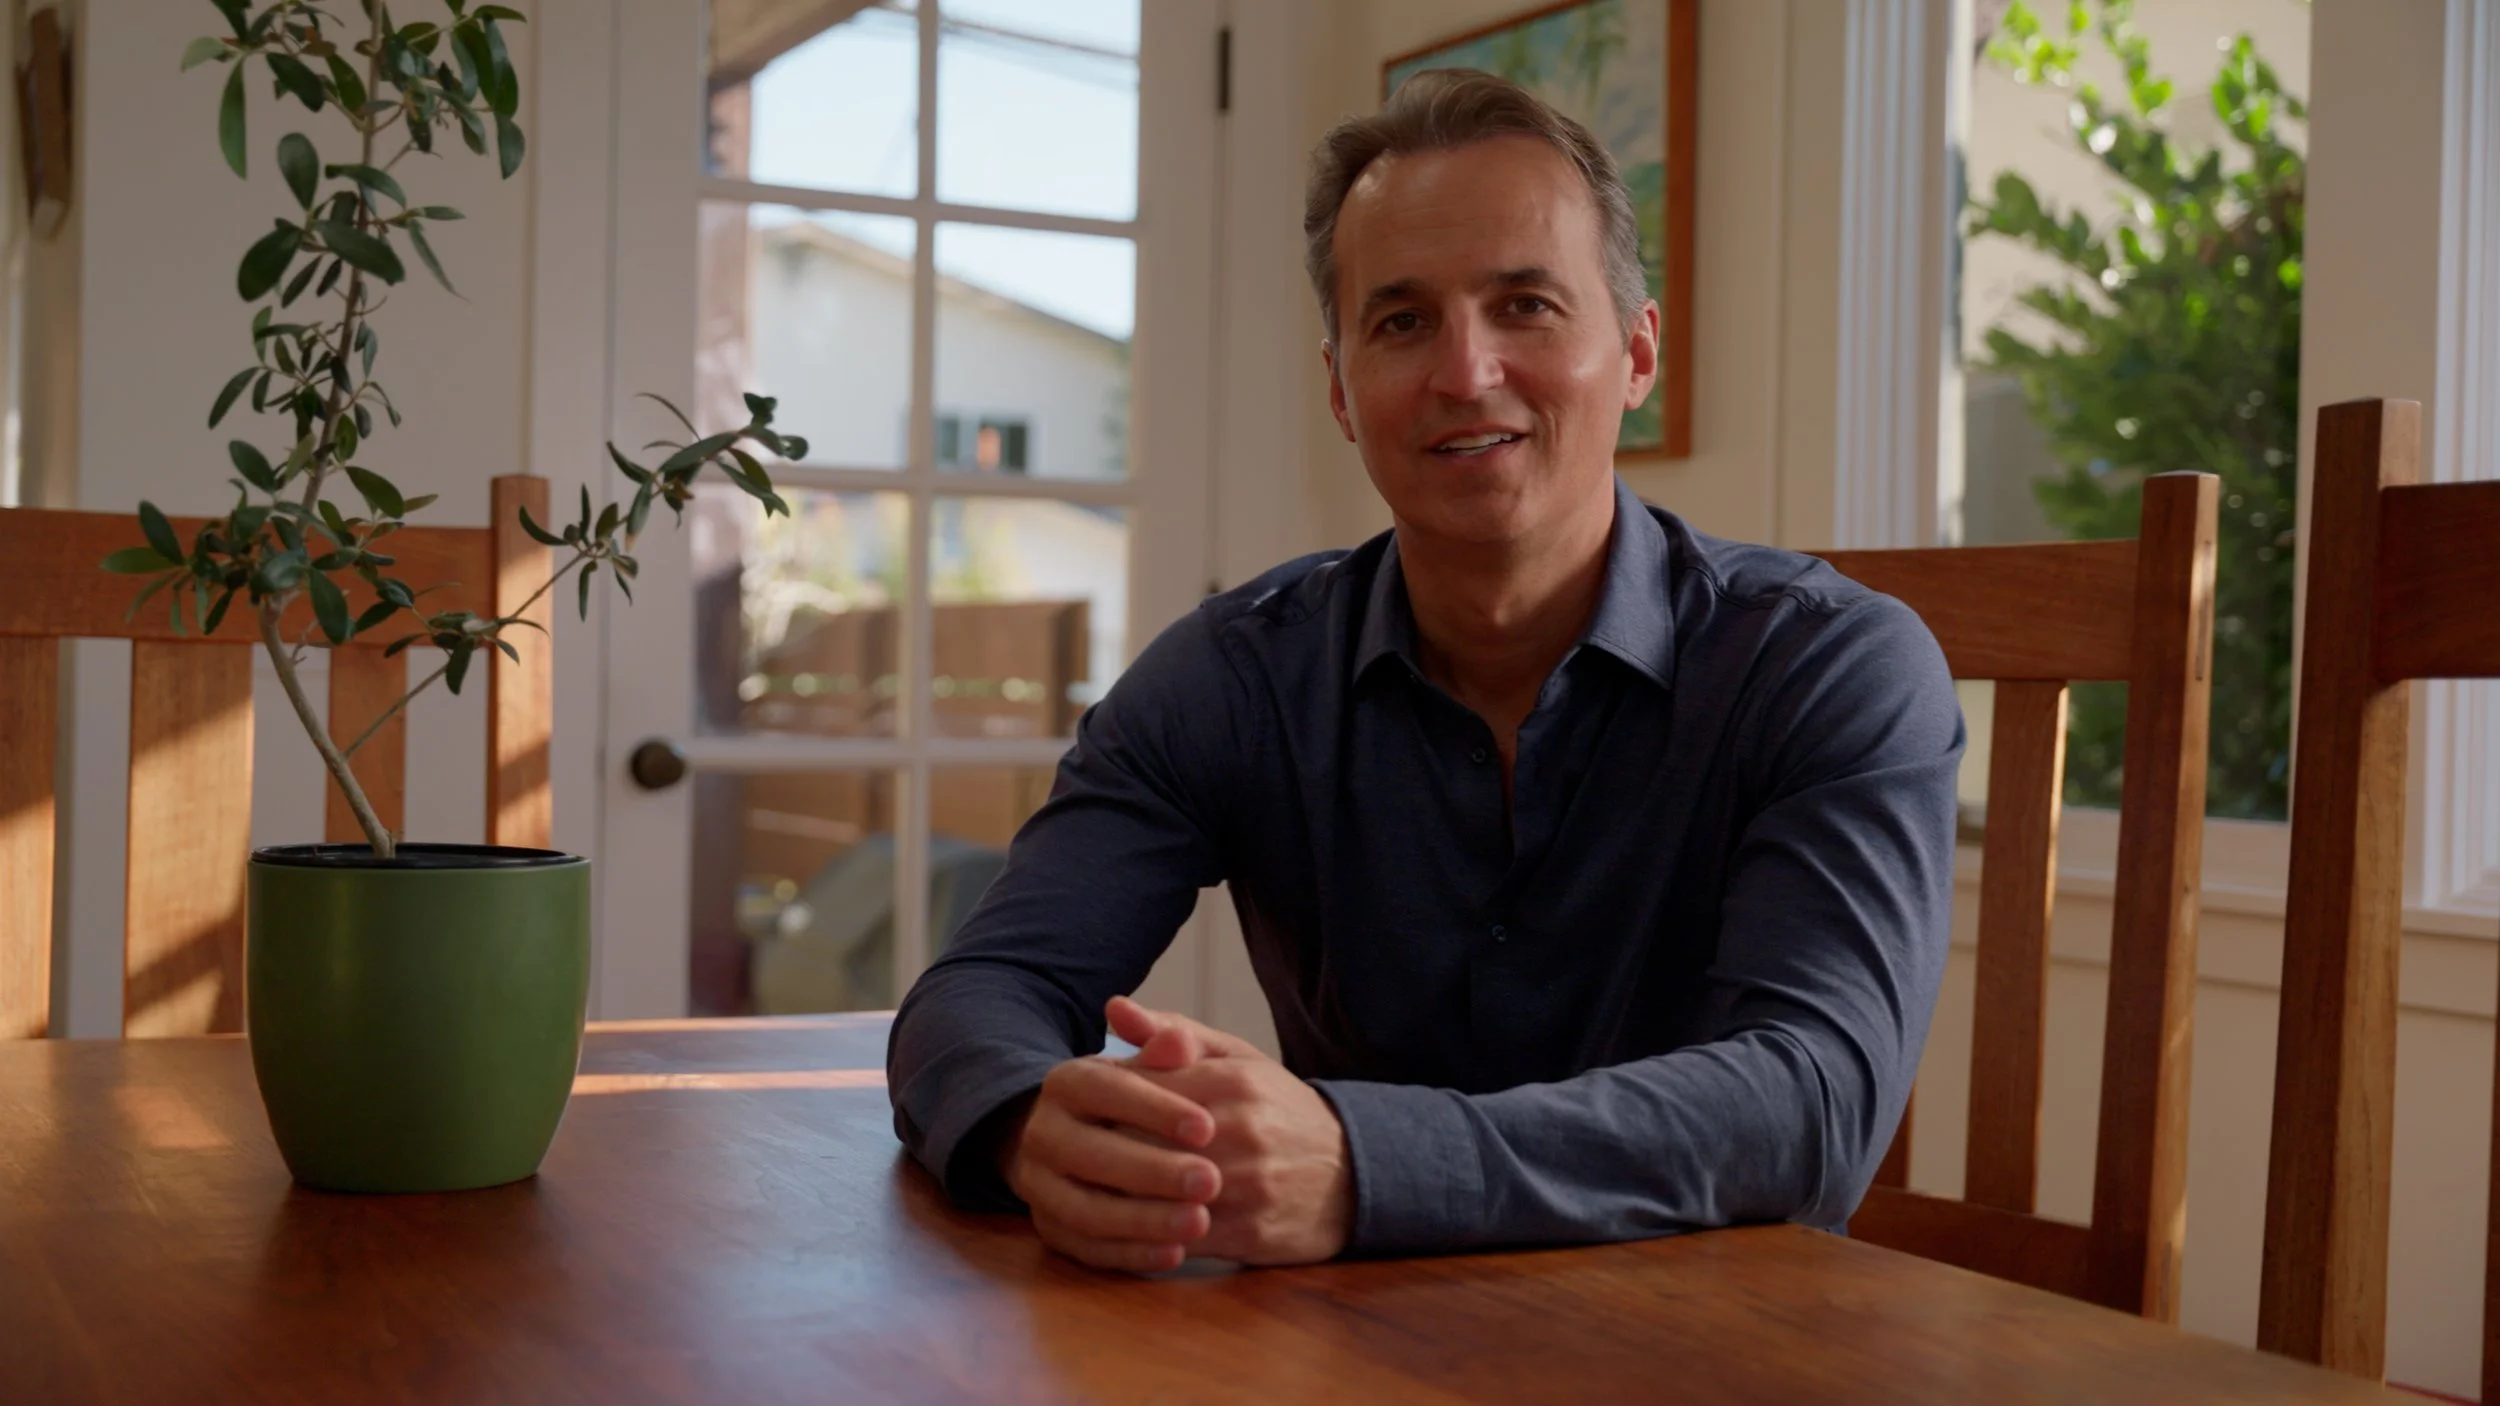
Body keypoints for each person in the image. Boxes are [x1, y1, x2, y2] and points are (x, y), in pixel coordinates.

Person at [886, 69, 1963, 1274]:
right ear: (1342, 389)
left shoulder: (1829, 665)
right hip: (1341, 1342)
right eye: (1401, 321)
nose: (1464, 371)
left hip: (1710, 1334)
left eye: (1526, 306)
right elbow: (985, 989)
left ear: (1637, 351)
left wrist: (1361, 1161)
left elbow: (1810, 1105)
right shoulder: (1232, 675)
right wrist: (1041, 1127)